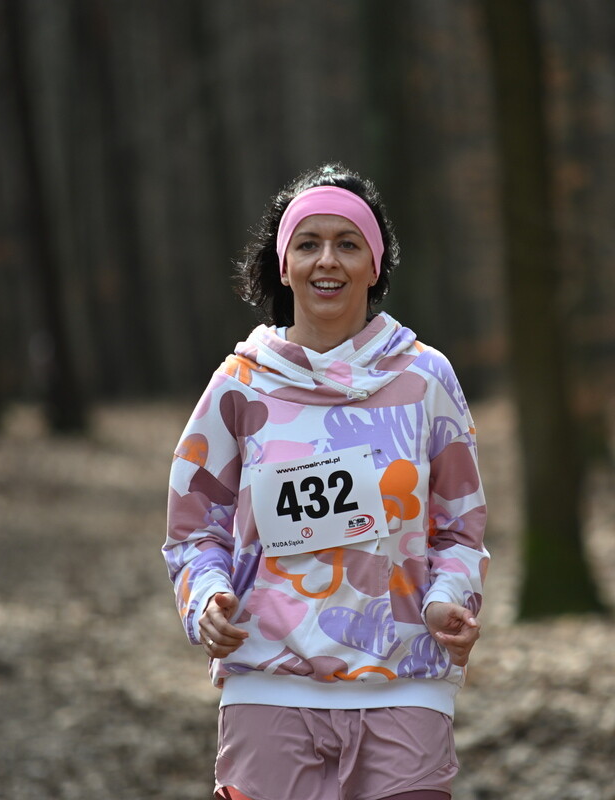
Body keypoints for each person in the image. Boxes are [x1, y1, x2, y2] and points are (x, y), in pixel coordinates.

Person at [163, 163, 489, 800]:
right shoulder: (239, 385)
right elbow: (192, 528)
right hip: (268, 683)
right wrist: (205, 600)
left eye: (347, 243)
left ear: (375, 261)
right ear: (284, 265)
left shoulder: (426, 380)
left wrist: (450, 598)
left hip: (405, 682)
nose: (326, 261)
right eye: (307, 244)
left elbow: (459, 527)